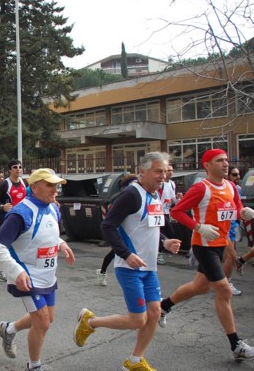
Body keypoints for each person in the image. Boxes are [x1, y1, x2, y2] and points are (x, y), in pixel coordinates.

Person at [73, 152, 182, 371]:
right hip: (129, 268)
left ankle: (134, 361)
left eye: (165, 171)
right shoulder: (132, 195)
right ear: (142, 172)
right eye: (157, 171)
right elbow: (107, 225)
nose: (163, 176)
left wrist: (165, 242)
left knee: (154, 314)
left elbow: (149, 228)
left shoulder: (155, 195)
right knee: (137, 320)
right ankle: (90, 322)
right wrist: (125, 254)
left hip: (149, 269)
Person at [161, 149, 254, 360]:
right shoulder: (201, 188)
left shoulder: (231, 186)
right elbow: (177, 212)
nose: (225, 164)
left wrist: (243, 212)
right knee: (224, 290)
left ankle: (163, 306)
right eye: (219, 161)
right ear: (207, 165)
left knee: (199, 287)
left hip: (221, 244)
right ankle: (236, 344)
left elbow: (236, 207)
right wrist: (199, 227)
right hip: (203, 246)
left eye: (226, 160)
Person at [0, 168, 75, 371]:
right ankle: (34, 366)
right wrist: (16, 271)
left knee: (48, 318)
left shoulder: (52, 208)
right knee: (43, 322)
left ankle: (9, 328)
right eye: (49, 185)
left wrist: (61, 243)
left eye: (56, 185)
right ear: (34, 187)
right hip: (27, 277)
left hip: (48, 275)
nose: (55, 190)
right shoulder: (21, 212)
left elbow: (46, 233)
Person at [96, 173, 138, 286]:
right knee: (115, 252)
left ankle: (102, 271)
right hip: (120, 228)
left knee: (116, 252)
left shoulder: (140, 194)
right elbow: (109, 220)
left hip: (133, 230)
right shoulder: (126, 195)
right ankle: (102, 272)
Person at [224, 166, 243, 295]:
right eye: (235, 174)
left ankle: (224, 282)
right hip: (222, 227)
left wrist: (242, 213)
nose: (238, 177)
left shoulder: (235, 188)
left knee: (230, 256)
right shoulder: (223, 187)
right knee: (231, 256)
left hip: (232, 224)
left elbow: (238, 205)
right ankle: (226, 283)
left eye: (238, 174)